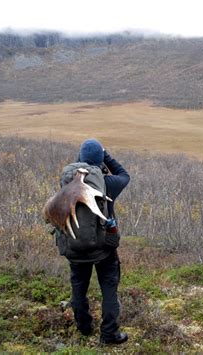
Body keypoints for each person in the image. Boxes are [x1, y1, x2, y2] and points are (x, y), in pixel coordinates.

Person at [68, 138, 130, 345]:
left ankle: (84, 327)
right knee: (109, 289)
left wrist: (81, 161)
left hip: (75, 245)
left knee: (78, 288)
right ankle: (109, 334)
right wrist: (106, 154)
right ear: (100, 159)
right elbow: (124, 175)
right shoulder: (108, 184)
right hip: (104, 248)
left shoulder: (67, 180)